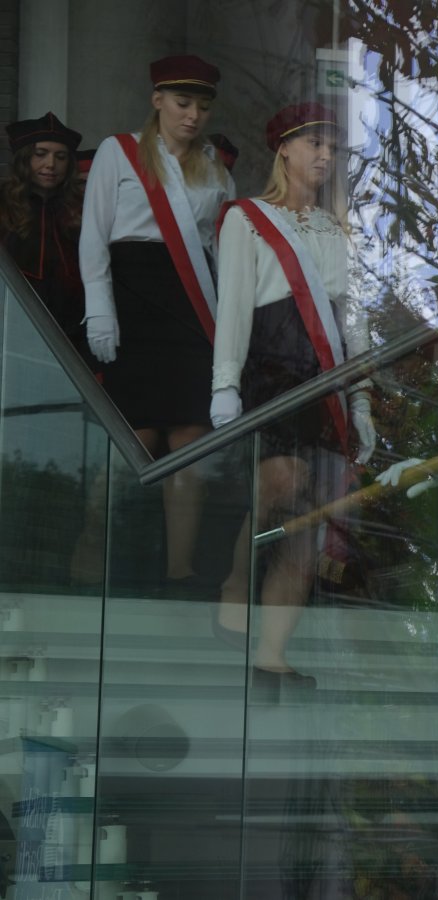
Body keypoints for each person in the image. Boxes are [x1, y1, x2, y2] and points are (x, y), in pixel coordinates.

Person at [210, 101, 375, 691]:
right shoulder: (247, 219)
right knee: (278, 485)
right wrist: (225, 383)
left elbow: (353, 324)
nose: (326, 156)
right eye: (314, 144)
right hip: (271, 368)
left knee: (312, 520)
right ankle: (235, 581)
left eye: (332, 147)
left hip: (325, 379)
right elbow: (232, 306)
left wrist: (361, 401)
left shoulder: (338, 230)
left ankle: (272, 654)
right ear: (284, 149)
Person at [79, 55, 235, 591]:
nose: (193, 115)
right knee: (134, 438)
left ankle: (179, 573)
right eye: (183, 103)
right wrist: (99, 305)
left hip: (192, 306)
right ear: (157, 100)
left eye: (203, 107)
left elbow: (223, 252)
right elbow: (94, 235)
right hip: (132, 299)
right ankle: (90, 557)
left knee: (190, 441)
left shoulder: (216, 167)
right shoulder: (118, 151)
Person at [0, 112, 87, 357]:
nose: (51, 164)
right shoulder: (4, 203)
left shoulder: (81, 208)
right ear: (25, 158)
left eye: (60, 157)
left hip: (70, 326)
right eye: (41, 154)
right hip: (11, 322)